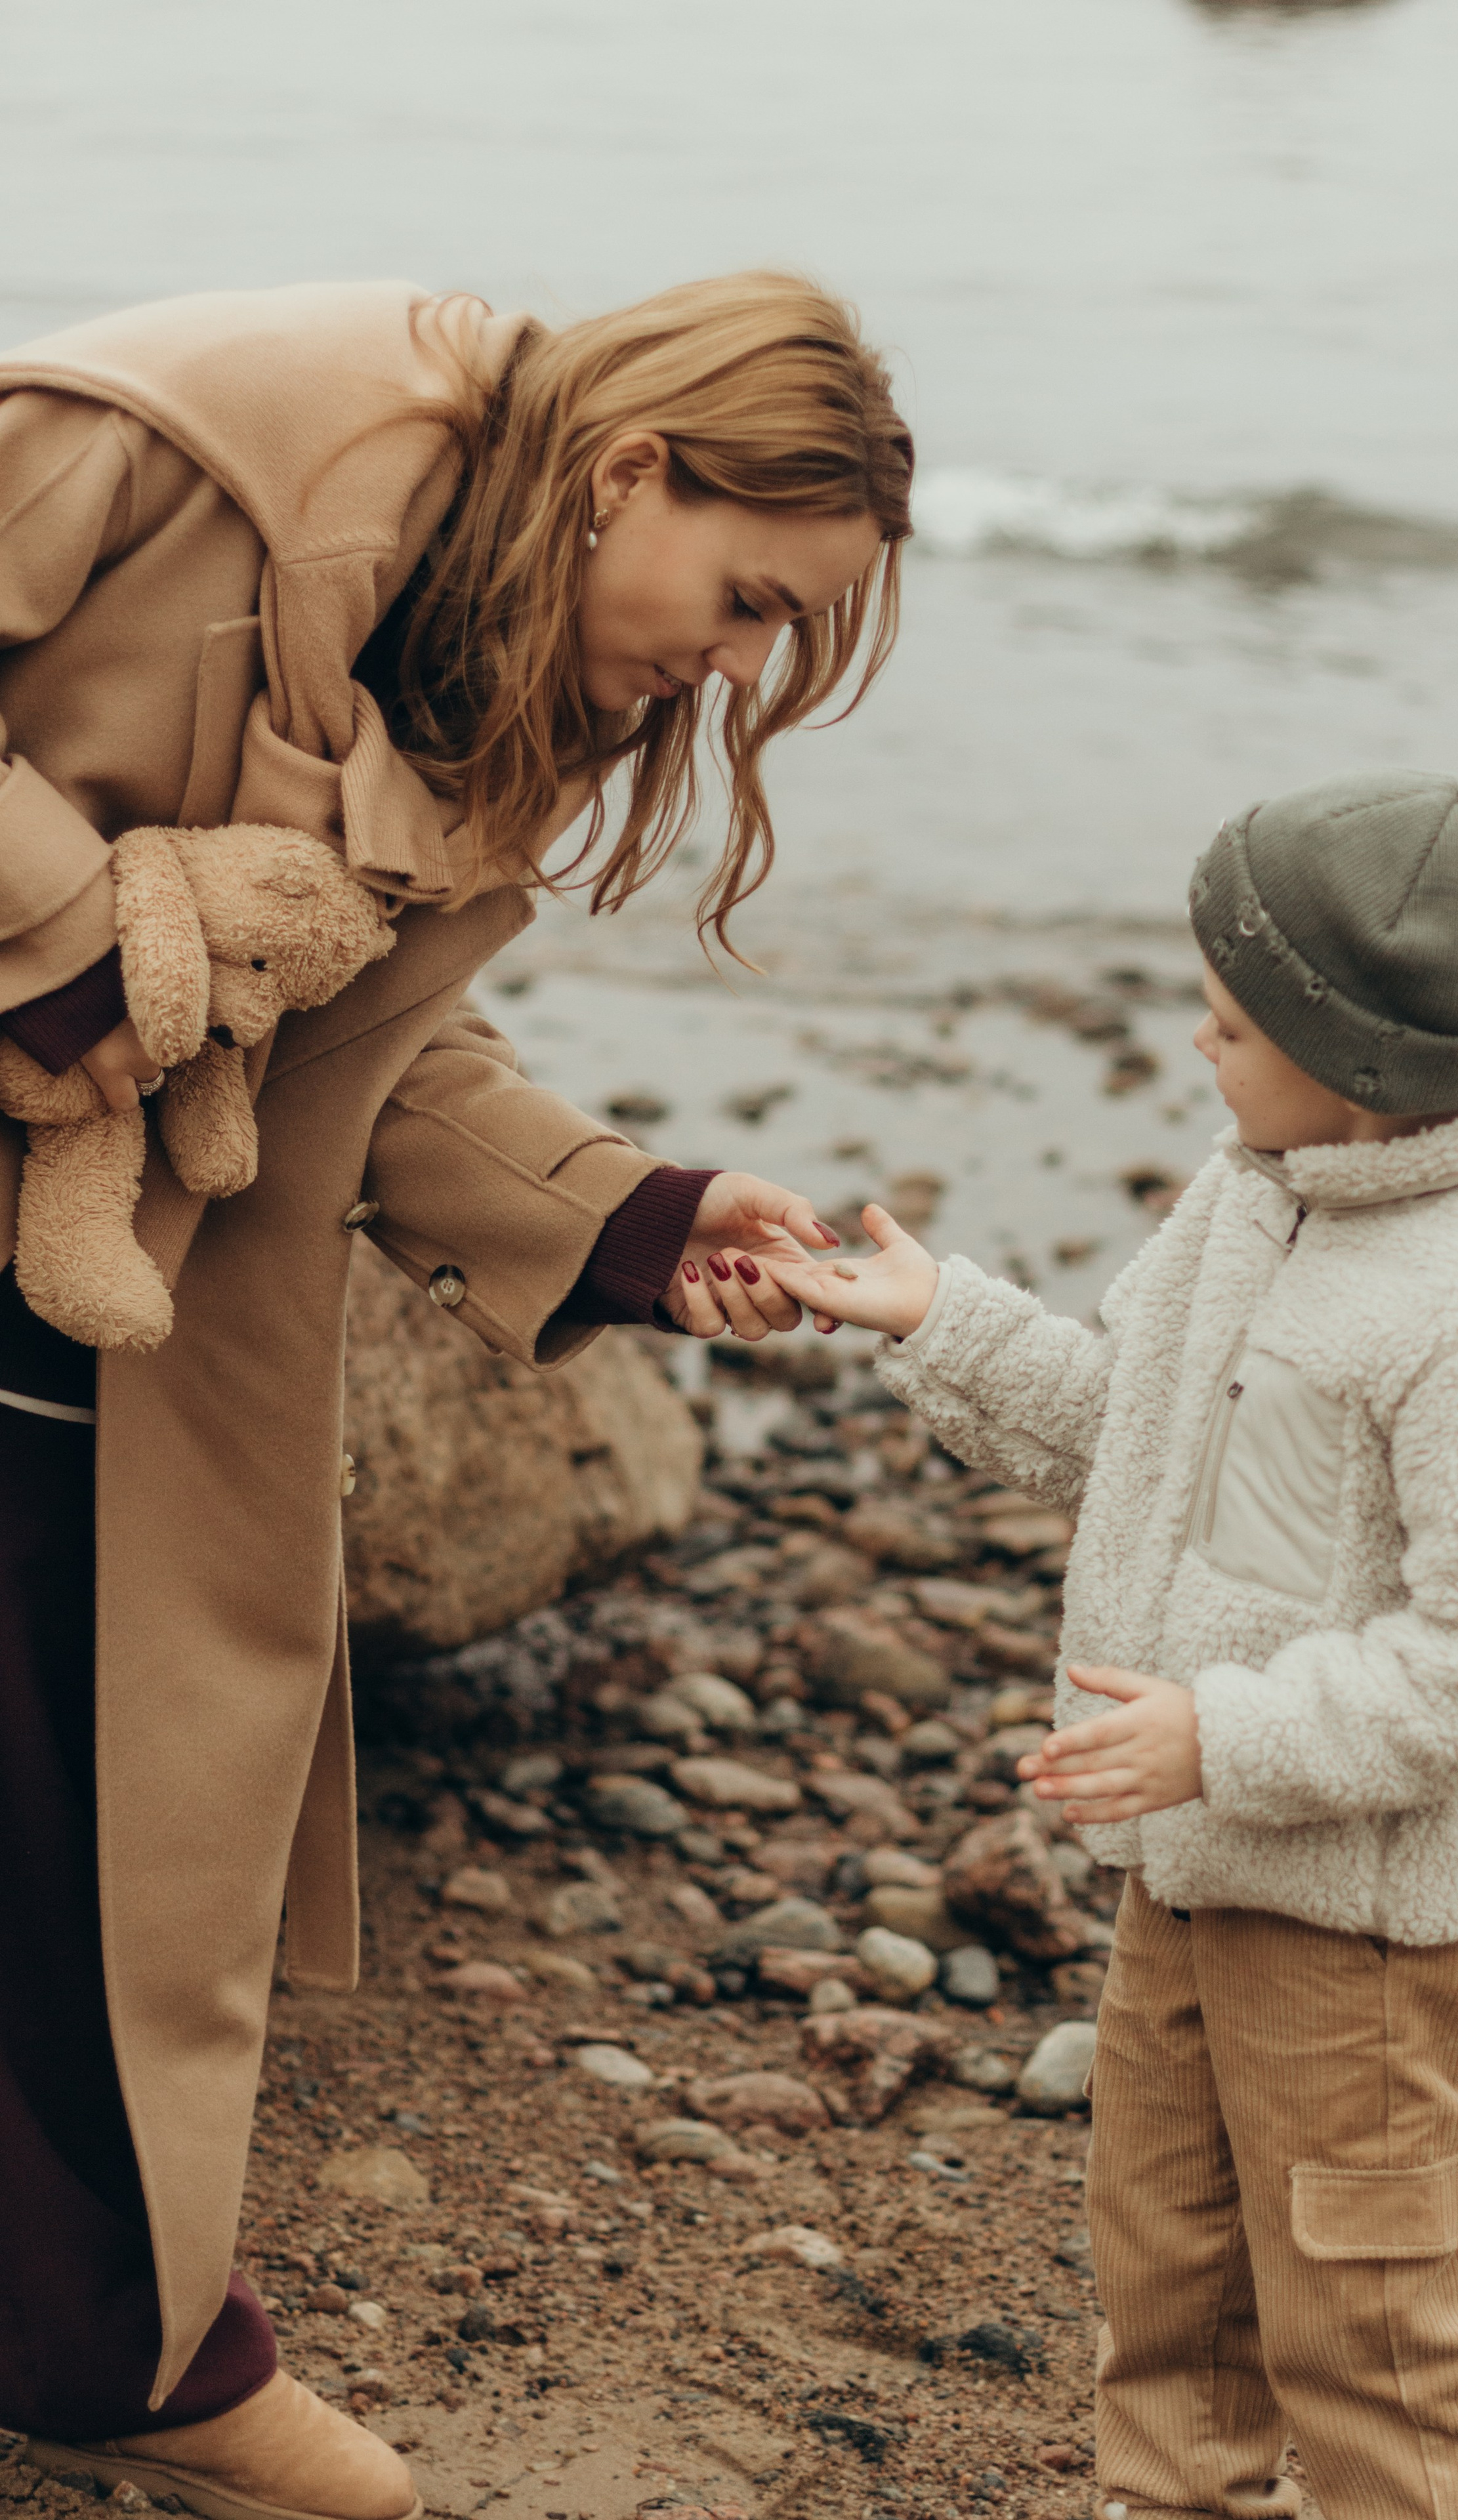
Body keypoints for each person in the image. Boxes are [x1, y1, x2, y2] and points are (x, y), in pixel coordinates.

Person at [0, 272, 911, 2517]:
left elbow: (356, 1043)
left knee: (89, 1816)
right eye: (749, 599)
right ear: (633, 472)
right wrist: (75, 940)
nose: (742, 670)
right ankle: (123, 2357)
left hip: (99, 1296)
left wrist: (632, 1215)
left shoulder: (491, 647)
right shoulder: (180, 443)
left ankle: (116, 2349)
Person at [764, 769, 1458, 2520]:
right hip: (1194, 1874)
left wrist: (1228, 1735)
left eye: (1234, 1024)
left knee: (1381, 2322)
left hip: (1369, 1935)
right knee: (1170, 2265)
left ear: (1359, 1064)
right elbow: (1143, 1432)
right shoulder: (1261, 1194)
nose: (1199, 1044)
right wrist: (939, 1318)